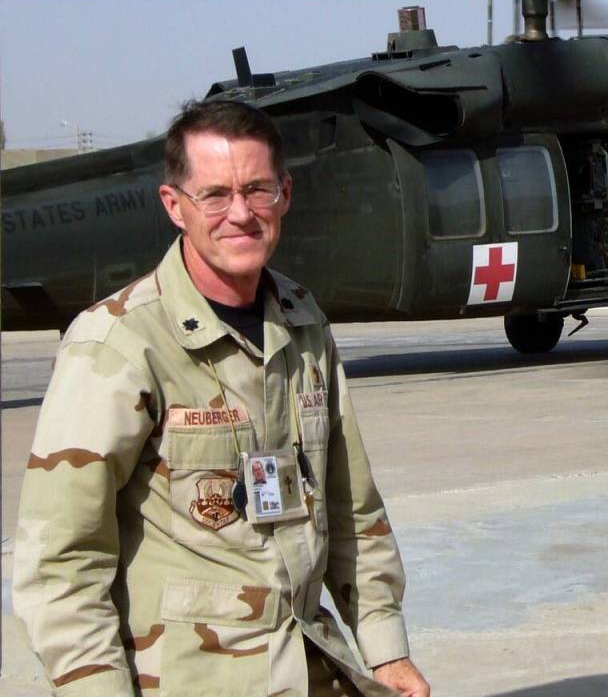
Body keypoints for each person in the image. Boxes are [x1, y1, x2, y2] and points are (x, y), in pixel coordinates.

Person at [12, 100, 430, 697]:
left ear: (285, 194)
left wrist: (386, 651)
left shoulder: (302, 320)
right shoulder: (121, 343)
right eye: (214, 194)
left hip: (309, 665)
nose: (240, 214)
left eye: (258, 189)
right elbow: (61, 562)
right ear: (174, 205)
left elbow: (352, 508)